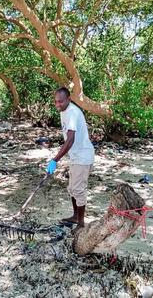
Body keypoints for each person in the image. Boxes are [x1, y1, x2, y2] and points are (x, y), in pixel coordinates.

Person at [46, 87, 94, 230]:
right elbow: (68, 138)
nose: (57, 105)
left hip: (83, 156)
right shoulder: (64, 111)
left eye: (60, 101)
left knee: (79, 190)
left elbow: (70, 139)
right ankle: (75, 216)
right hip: (75, 156)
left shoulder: (72, 112)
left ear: (69, 99)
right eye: (55, 102)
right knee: (72, 189)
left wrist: (55, 159)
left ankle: (81, 223)